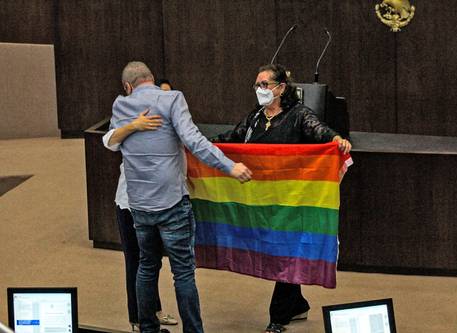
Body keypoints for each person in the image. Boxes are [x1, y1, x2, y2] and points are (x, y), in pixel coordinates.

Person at [110, 61, 252, 333]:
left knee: (146, 267)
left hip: (138, 205)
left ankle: (147, 328)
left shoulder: (120, 105)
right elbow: (194, 141)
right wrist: (229, 166)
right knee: (183, 272)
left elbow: (115, 140)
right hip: (171, 203)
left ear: (128, 86)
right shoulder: (172, 99)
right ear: (151, 78)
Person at [213, 63, 351, 333]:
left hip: (291, 200)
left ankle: (278, 316)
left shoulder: (298, 115)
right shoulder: (255, 117)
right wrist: (200, 145)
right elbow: (231, 138)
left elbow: (320, 131)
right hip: (260, 200)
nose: (259, 89)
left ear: (281, 88)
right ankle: (297, 304)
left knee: (285, 251)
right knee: (277, 251)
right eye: (257, 85)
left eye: (264, 84)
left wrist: (337, 140)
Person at [102, 110, 178, 332]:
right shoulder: (130, 119)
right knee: (136, 261)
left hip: (161, 203)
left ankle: (153, 311)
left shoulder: (169, 123)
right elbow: (110, 141)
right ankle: (137, 318)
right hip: (130, 204)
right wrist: (135, 125)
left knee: (152, 260)